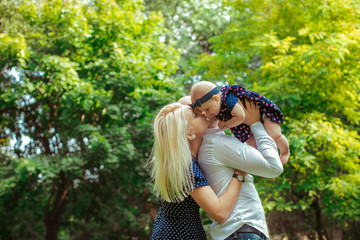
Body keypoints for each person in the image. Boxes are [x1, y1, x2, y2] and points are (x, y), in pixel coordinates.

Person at [148, 102, 247, 239]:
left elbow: (197, 99)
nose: (202, 113)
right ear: (189, 134)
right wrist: (240, 172)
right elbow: (220, 213)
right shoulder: (187, 168)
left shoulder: (179, 163)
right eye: (196, 115)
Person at [190, 81, 290, 164]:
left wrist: (227, 124)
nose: (207, 113)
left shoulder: (227, 99)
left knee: (274, 134)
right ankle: (263, 159)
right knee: (250, 142)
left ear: (216, 98)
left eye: (207, 109)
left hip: (263, 113)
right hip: (247, 124)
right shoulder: (217, 107)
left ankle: (285, 151)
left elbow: (240, 116)